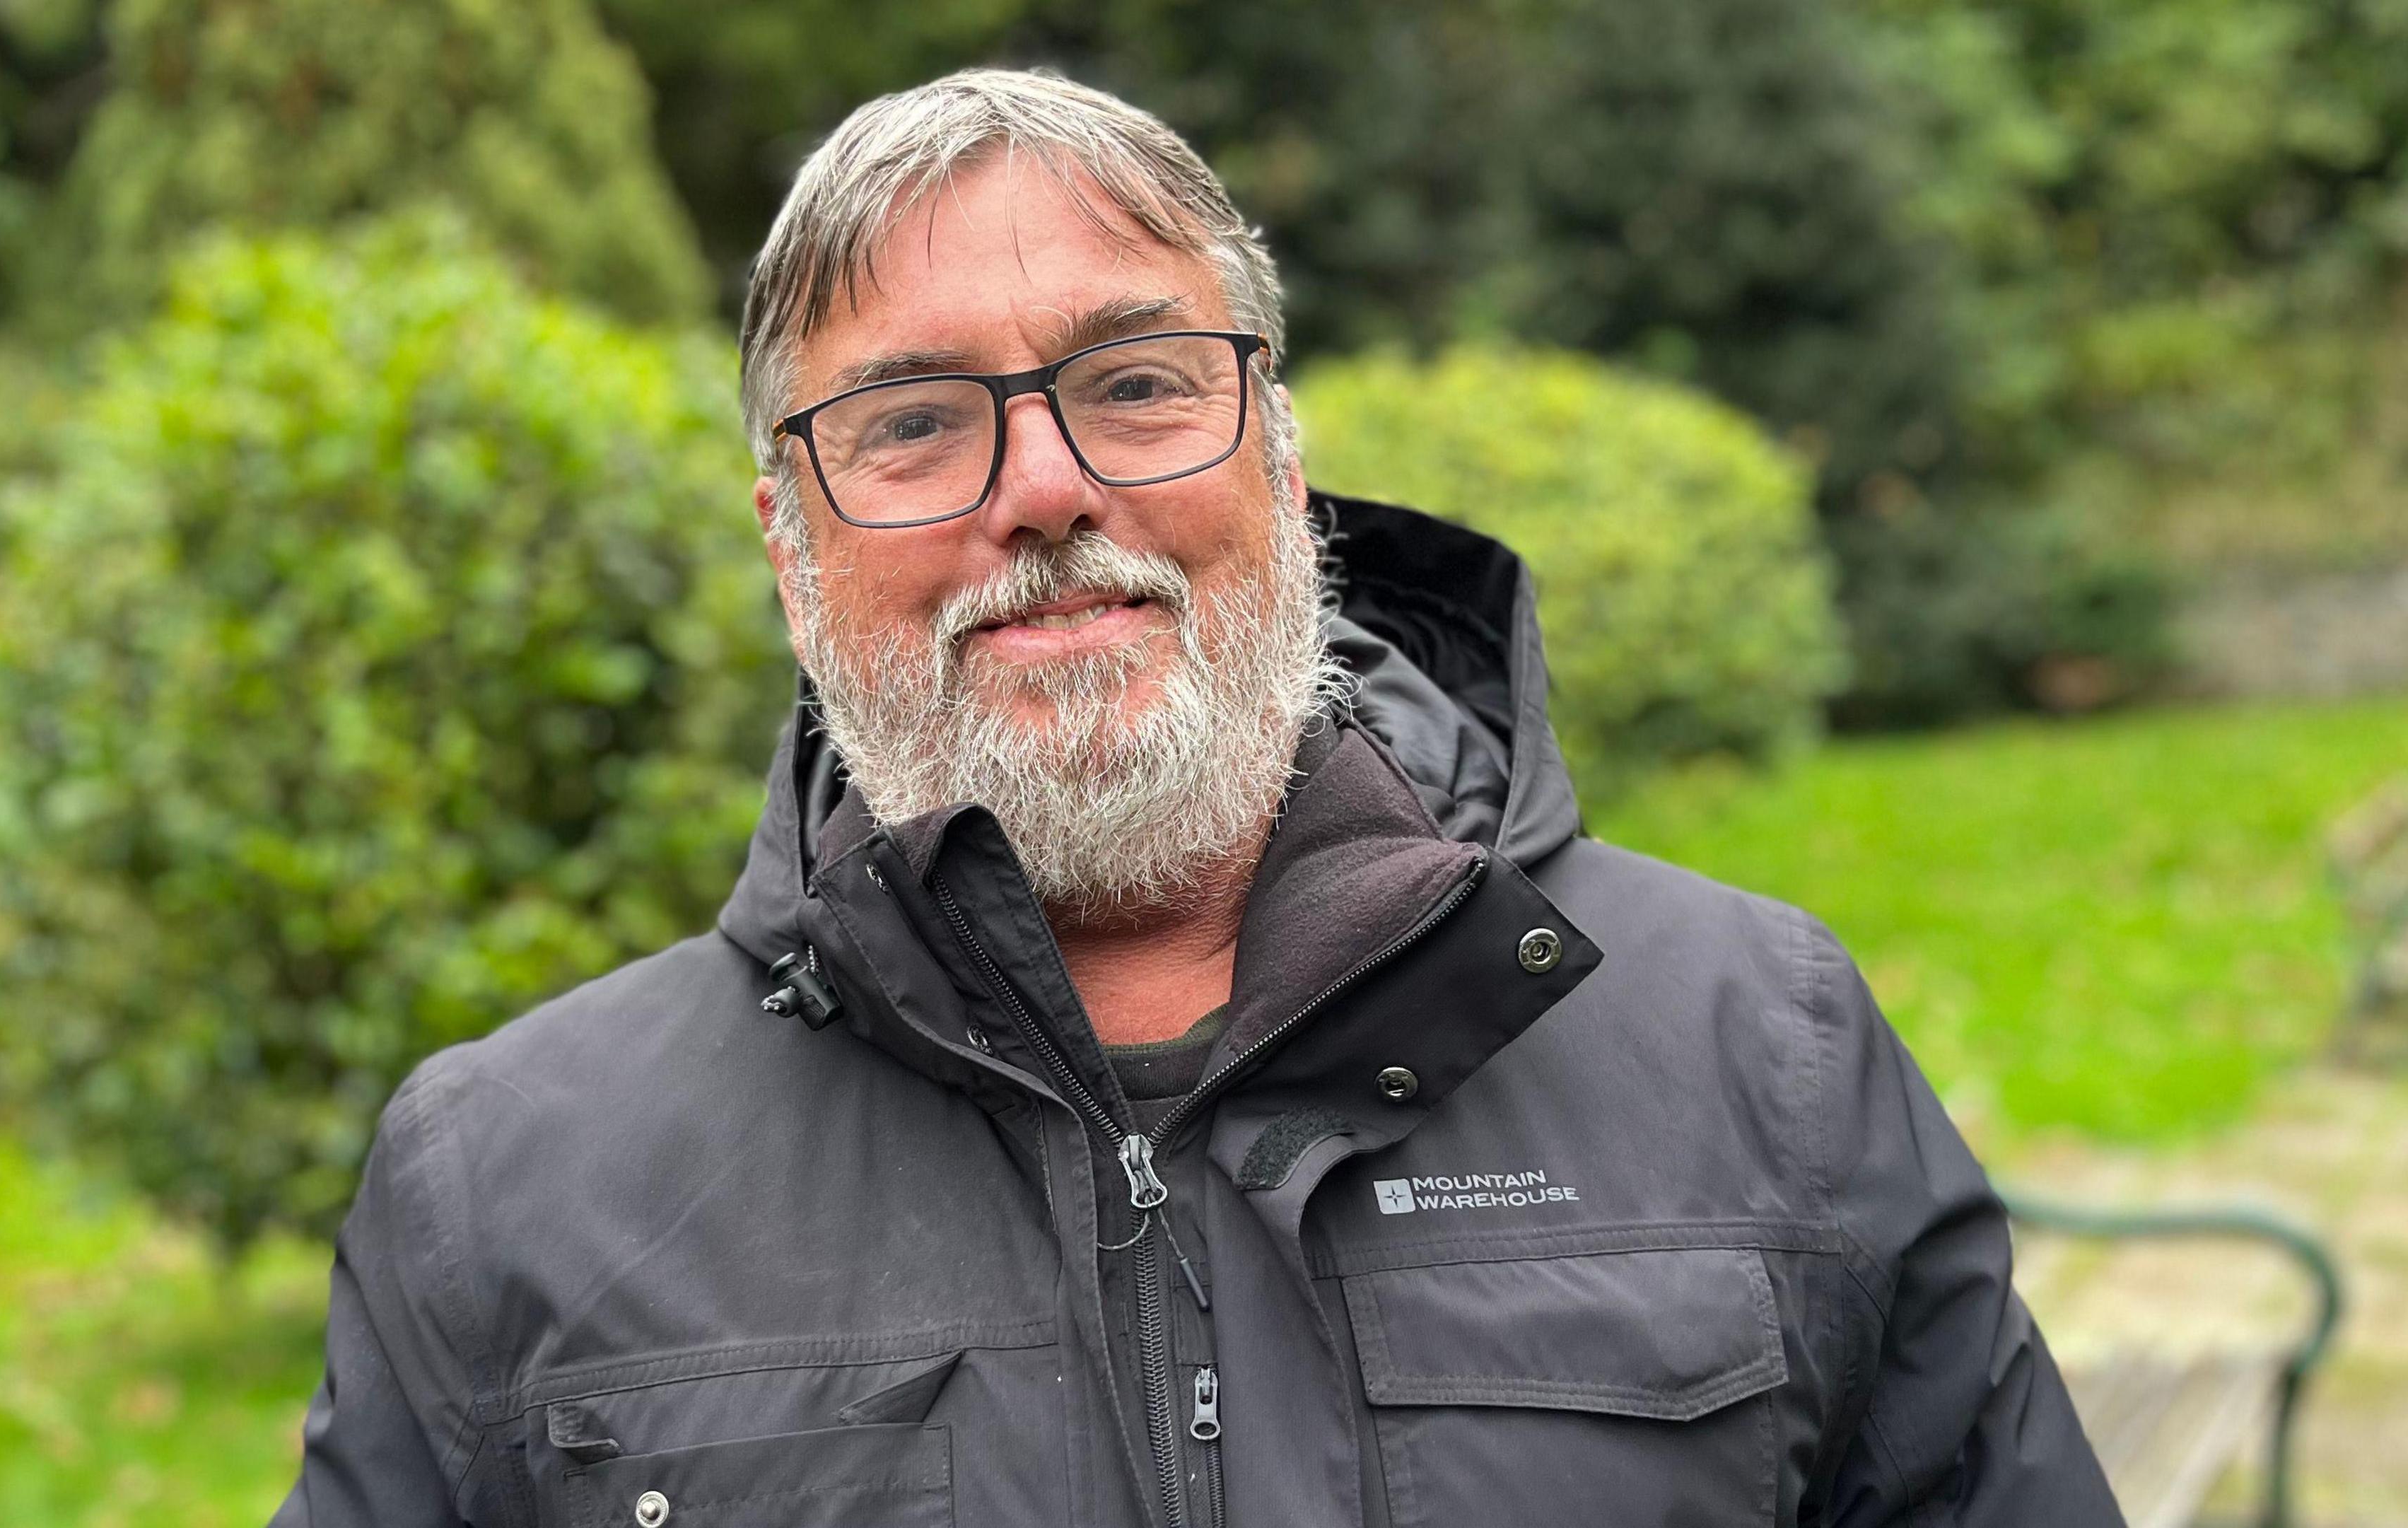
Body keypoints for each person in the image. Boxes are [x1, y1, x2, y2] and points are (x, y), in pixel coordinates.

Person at [274, 68, 2121, 1527]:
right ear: (788, 544)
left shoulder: (1759, 1053)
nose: (1047, 487)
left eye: (1139, 382)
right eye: (912, 423)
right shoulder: (512, 1187)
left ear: (1284, 463)